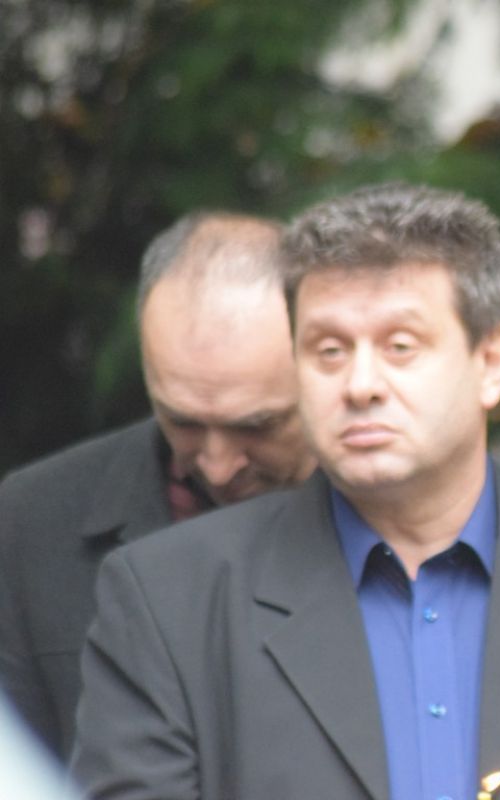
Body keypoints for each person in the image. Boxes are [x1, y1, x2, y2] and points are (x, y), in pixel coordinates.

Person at [69, 182, 500, 800]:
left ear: (491, 361)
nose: (360, 384)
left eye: (400, 346)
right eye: (329, 350)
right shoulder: (170, 604)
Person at [0, 212, 317, 760]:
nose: (217, 466)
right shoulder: (32, 523)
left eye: (257, 426)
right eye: (183, 421)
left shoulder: (401, 512)